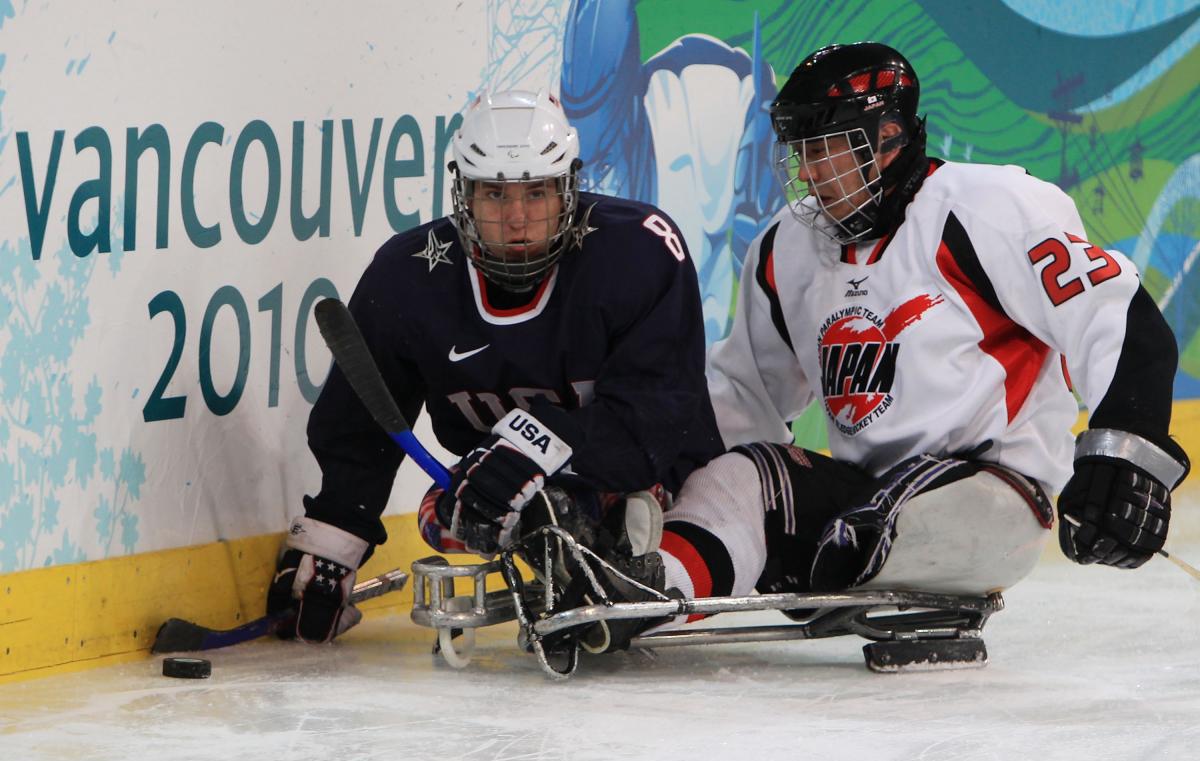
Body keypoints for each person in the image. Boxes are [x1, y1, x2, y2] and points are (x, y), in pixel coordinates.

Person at [549, 40, 1190, 650]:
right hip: (866, 502)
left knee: (873, 524)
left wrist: (1126, 455)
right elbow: (743, 397)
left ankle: (836, 562)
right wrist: (650, 482)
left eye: (825, 147)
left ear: (887, 140)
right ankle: (644, 595)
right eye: (799, 149)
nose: (807, 171)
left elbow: (1117, 318)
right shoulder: (784, 249)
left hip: (995, 497)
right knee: (742, 478)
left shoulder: (987, 207)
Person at [267, 89, 724, 644]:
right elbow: (358, 428)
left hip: (657, 482)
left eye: (537, 193)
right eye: (494, 195)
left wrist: (530, 445)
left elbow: (652, 418)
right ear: (463, 194)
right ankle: (557, 532)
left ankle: (617, 542)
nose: (517, 220)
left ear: (568, 189)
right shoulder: (407, 275)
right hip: (506, 496)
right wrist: (334, 545)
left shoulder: (638, 251)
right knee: (444, 510)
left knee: (590, 500)